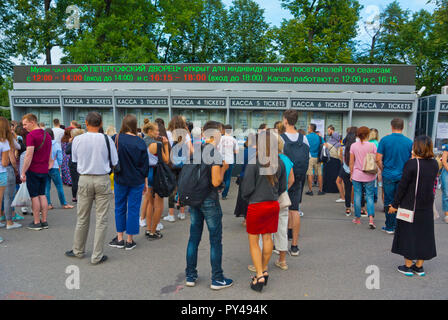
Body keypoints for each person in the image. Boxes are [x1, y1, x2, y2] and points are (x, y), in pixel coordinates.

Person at [184, 120, 233, 290]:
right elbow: (215, 181)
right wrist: (224, 169)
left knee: (194, 238)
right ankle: (217, 278)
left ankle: (190, 275)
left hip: (194, 199)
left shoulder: (197, 151)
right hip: (209, 200)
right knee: (215, 240)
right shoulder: (214, 153)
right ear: (216, 133)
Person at [65, 112, 118, 265]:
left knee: (82, 217)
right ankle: (97, 255)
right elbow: (114, 160)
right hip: (102, 178)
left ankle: (78, 250)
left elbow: (74, 160)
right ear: (100, 124)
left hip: (84, 178)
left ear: (86, 123)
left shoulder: (78, 140)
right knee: (101, 218)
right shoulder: (107, 139)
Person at [241, 130, 286, 292]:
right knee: (268, 238)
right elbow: (282, 187)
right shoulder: (279, 162)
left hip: (256, 205)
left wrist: (250, 198)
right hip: (272, 205)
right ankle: (264, 269)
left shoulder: (254, 162)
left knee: (254, 242)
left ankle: (259, 275)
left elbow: (246, 188)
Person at [388, 136, 438, 276]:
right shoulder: (434, 164)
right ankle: (419, 267)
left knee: (408, 234)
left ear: (417, 147)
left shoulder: (412, 164)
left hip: (410, 205)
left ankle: (408, 266)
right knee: (424, 234)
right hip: (427, 205)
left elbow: (402, 187)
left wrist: (394, 204)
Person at [108, 115, 149, 251]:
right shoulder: (140, 142)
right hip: (137, 180)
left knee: (119, 207)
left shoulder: (116, 138)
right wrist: (145, 182)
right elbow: (144, 165)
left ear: (123, 124)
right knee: (133, 208)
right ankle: (130, 240)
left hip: (120, 178)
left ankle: (119, 238)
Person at [376, 118, 413, 234]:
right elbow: (412, 159)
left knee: (388, 200)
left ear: (391, 126)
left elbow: (378, 159)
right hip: (403, 176)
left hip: (388, 175)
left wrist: (384, 169)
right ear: (403, 127)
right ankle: (400, 226)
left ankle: (390, 226)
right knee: (402, 200)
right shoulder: (409, 142)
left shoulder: (384, 140)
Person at [281, 110, 310, 256]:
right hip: (298, 177)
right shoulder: (303, 138)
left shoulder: (280, 138)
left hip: (283, 179)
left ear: (285, 120)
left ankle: (281, 244)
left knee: (282, 211)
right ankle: (294, 246)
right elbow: (308, 157)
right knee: (294, 210)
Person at [21, 113, 52, 231]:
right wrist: (48, 164)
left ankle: (36, 222)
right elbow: (49, 153)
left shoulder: (31, 135)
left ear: (32, 122)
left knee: (34, 196)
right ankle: (44, 221)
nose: (24, 127)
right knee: (42, 195)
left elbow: (28, 155)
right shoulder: (47, 135)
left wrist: (23, 171)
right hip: (44, 169)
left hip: (33, 169)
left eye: (25, 124)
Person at [142, 120, 170, 240]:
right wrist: (165, 145)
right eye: (156, 130)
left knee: (150, 203)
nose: (158, 132)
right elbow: (166, 160)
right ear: (150, 131)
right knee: (159, 204)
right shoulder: (157, 145)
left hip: (147, 174)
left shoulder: (142, 143)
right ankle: (153, 231)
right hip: (157, 173)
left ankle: (149, 229)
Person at [165, 115, 191, 222]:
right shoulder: (186, 135)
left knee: (172, 188)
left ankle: (171, 214)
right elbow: (191, 150)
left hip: (171, 165)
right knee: (182, 187)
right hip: (183, 165)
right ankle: (182, 212)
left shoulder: (168, 134)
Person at [274, 135, 294, 271]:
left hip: (268, 197)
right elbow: (291, 179)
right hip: (283, 196)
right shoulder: (287, 160)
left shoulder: (266, 160)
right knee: (282, 229)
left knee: (265, 231)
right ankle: (282, 261)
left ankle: (262, 262)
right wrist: (285, 189)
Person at [349, 126, 377, 229]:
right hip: (369, 174)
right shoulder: (372, 145)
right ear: (367, 134)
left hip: (357, 174)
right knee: (369, 196)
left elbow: (351, 162)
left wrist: (351, 173)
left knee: (357, 195)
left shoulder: (353, 146)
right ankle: (371, 219)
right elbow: (376, 159)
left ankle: (358, 218)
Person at [44, 128, 74, 210]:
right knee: (59, 186)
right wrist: (59, 166)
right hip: (55, 167)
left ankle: (48, 204)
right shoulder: (56, 144)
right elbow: (60, 157)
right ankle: (64, 203)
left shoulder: (43, 144)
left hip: (45, 167)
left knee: (47, 187)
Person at [0, 117, 20, 230]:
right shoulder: (6, 141)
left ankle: (1, 217)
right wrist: (16, 169)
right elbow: (8, 160)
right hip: (5, 171)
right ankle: (9, 222)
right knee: (8, 197)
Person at [233, 133, 257, 225]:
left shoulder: (244, 151)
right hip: (255, 177)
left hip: (244, 176)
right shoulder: (259, 152)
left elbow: (239, 164)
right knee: (254, 198)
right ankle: (253, 217)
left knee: (243, 198)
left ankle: (246, 219)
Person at [218, 124, 239, 200]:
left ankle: (219, 189)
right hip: (230, 161)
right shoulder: (234, 140)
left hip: (221, 160)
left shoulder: (220, 138)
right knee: (228, 178)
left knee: (220, 175)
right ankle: (224, 195)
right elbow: (236, 152)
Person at [339, 131, 356, 216]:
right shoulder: (356, 147)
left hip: (346, 170)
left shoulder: (343, 149)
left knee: (347, 190)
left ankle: (348, 208)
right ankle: (358, 207)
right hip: (356, 172)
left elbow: (342, 160)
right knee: (358, 190)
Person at [65, 129, 84, 203]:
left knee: (74, 180)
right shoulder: (83, 142)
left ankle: (74, 197)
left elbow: (67, 151)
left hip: (73, 163)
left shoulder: (73, 142)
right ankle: (82, 195)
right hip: (82, 162)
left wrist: (70, 143)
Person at [306, 123, 324, 196]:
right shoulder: (319, 137)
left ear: (311, 129)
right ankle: (320, 190)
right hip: (318, 157)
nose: (308, 129)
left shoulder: (306, 137)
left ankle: (310, 191)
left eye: (308, 127)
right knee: (319, 173)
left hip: (310, 157)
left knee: (310, 173)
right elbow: (324, 145)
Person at [323, 126, 342, 194]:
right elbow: (340, 154)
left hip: (328, 161)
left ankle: (326, 189)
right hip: (336, 162)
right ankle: (334, 189)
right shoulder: (339, 144)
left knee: (328, 175)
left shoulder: (327, 142)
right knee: (335, 176)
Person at [440, 143, 448, 223]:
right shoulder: (447, 146)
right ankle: (447, 215)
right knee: (447, 193)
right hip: (447, 170)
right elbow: (444, 161)